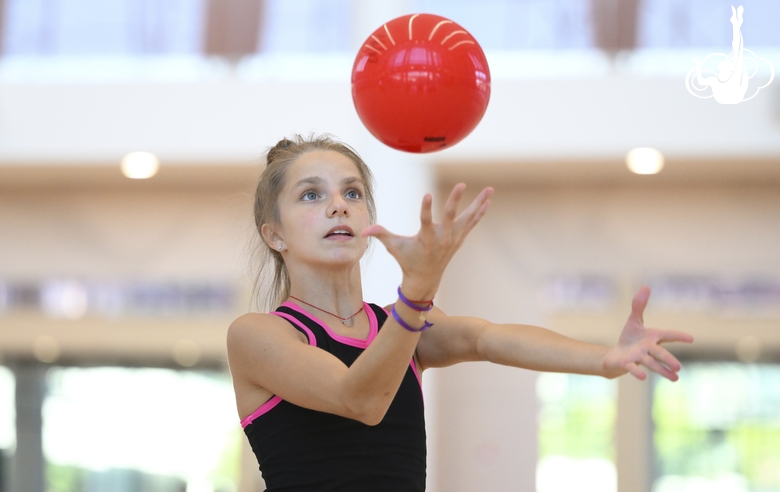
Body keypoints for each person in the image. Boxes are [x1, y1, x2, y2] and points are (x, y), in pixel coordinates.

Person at [226, 134, 693, 491]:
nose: (337, 207)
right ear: (275, 235)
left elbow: (487, 338)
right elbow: (360, 400)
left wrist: (603, 359)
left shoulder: (401, 323)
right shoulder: (258, 335)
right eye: (311, 195)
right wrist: (417, 293)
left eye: (352, 193)